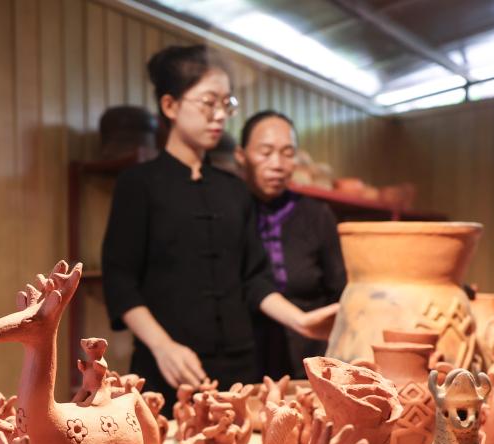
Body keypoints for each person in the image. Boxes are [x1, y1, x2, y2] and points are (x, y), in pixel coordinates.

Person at [101, 45, 337, 412]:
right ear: (170, 106)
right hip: (169, 368)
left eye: (226, 104)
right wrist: (162, 346)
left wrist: (302, 321)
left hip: (239, 369)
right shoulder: (139, 184)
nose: (219, 116)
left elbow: (254, 278)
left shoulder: (234, 189)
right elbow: (120, 282)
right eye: (208, 103)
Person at [235, 110, 347, 379]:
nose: (277, 164)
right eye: (265, 152)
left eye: (288, 153)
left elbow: (340, 290)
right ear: (241, 156)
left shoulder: (317, 215)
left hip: (308, 359)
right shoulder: (230, 212)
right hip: (245, 359)